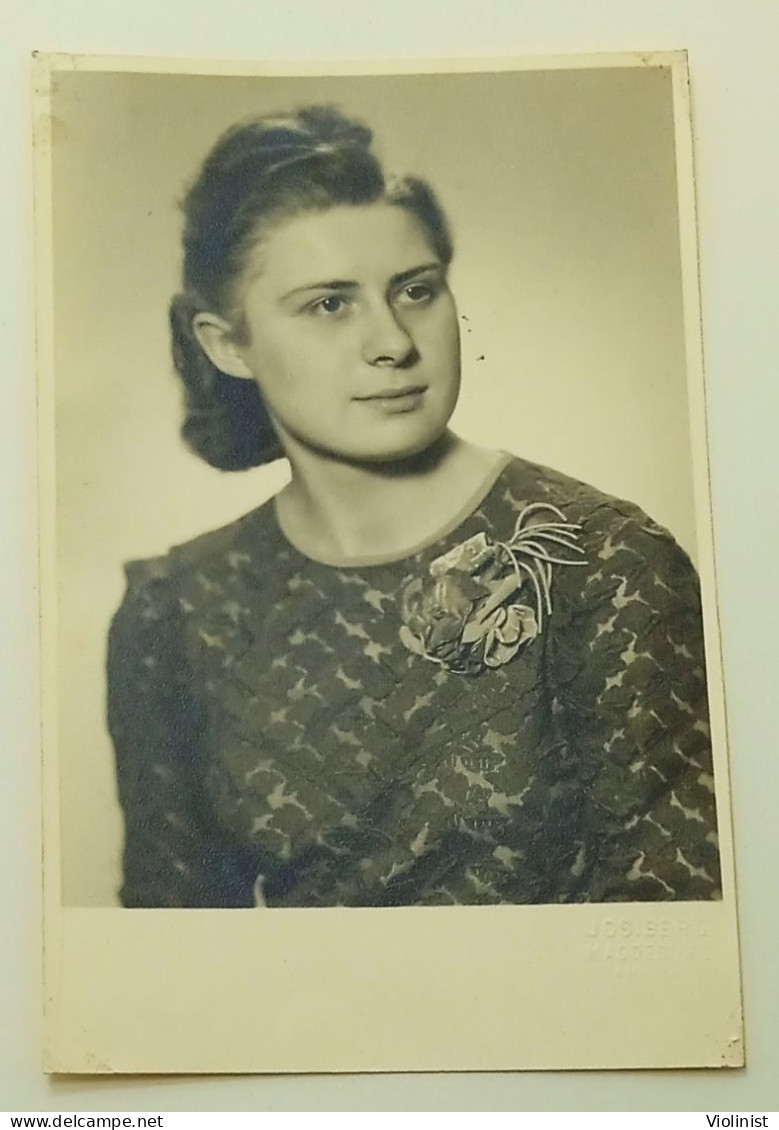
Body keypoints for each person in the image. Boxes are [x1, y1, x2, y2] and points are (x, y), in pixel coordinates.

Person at [107, 104, 722, 908]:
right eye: (329, 303)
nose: (392, 342)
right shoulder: (178, 611)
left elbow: (675, 936)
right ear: (227, 345)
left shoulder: (603, 562)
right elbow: (169, 955)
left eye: (415, 291)